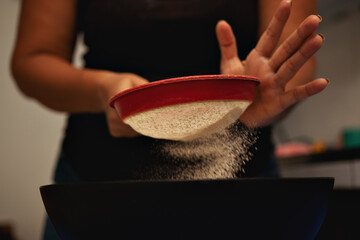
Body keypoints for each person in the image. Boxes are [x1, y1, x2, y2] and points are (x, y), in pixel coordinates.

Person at [11, 0, 327, 239]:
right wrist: (102, 91)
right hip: (98, 190)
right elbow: (32, 60)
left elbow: (293, 55)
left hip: (241, 188)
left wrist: (263, 94)